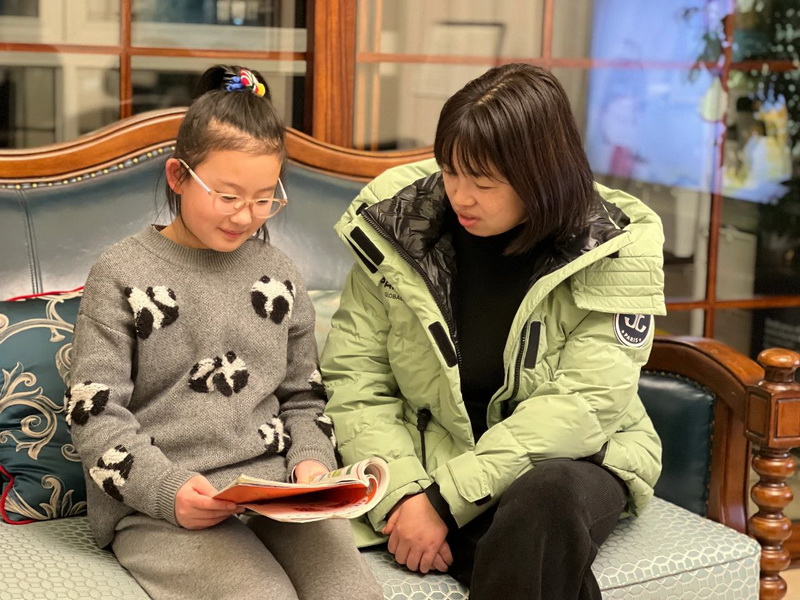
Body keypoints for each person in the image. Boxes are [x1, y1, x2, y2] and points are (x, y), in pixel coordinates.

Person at [320, 63, 665, 600]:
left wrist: (444, 504)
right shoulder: (396, 227)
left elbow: (584, 403)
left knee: (545, 497)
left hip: (578, 460)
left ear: (541, 175)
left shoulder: (614, 243)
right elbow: (357, 380)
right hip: (433, 457)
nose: (461, 196)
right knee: (526, 547)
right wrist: (406, 497)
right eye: (450, 172)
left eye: (483, 183)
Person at [67, 65, 382, 600]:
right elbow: (95, 413)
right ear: (178, 176)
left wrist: (312, 464)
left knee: (354, 595)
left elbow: (304, 396)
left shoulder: (278, 273)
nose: (245, 216)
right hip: (161, 500)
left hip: (274, 492)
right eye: (228, 196)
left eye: (264, 199)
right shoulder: (121, 272)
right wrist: (167, 491)